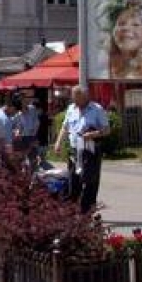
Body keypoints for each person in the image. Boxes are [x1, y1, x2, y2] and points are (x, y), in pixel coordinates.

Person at [52, 85, 110, 213]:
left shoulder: (97, 109)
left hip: (90, 150)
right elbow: (65, 127)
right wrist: (58, 143)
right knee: (74, 180)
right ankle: (72, 210)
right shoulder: (71, 109)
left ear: (86, 97)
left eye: (78, 99)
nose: (76, 102)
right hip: (74, 149)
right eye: (74, 99)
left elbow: (106, 130)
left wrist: (93, 134)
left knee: (90, 181)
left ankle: (87, 210)